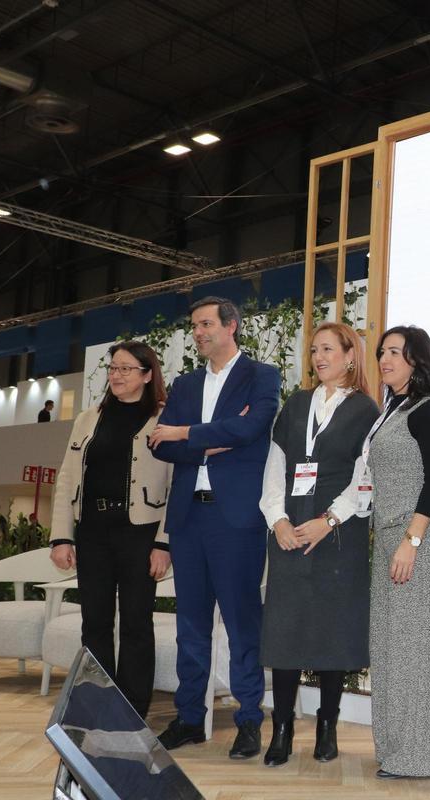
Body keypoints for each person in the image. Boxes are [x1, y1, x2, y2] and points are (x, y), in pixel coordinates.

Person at [149, 296, 281, 760]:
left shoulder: (262, 377)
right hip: (189, 519)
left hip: (237, 520)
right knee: (191, 625)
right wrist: (213, 440)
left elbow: (251, 430)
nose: (199, 332)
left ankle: (248, 721)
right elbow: (157, 445)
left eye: (206, 323)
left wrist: (187, 434)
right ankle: (189, 719)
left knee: (244, 622)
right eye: (195, 325)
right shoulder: (185, 385)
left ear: (232, 326)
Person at [257, 321, 379, 767]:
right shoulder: (296, 404)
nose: (319, 358)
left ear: (351, 355)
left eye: (328, 349)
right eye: (314, 351)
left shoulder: (367, 410)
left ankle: (328, 725)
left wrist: (330, 519)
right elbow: (276, 467)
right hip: (289, 535)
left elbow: (366, 479)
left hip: (337, 537)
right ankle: (283, 728)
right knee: (286, 631)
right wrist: (279, 520)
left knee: (333, 632)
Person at [49, 341, 172, 718]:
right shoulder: (89, 418)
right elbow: (68, 477)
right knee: (96, 621)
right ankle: (101, 704)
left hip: (141, 533)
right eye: (113, 368)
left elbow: (175, 484)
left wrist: (164, 543)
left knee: (136, 622)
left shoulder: (166, 420)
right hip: (93, 532)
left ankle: (133, 710)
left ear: (147, 375)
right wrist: (61, 536)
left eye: (126, 369)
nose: (116, 376)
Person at [367, 325, 430, 779]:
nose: (385, 359)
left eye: (395, 352)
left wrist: (412, 541)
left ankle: (419, 757)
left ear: (416, 359)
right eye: (382, 352)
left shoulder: (425, 410)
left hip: (413, 541)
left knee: (414, 655)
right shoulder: (390, 410)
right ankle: (395, 749)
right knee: (390, 650)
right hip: (388, 540)